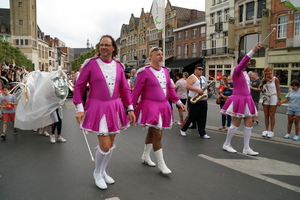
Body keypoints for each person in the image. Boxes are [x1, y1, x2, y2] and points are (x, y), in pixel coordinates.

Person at [73, 35, 136, 190]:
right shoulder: (91, 64)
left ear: (113, 48)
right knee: (105, 145)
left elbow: (124, 89)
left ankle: (103, 171)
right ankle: (97, 172)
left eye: (107, 45)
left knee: (111, 143)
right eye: (101, 45)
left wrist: (130, 108)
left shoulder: (119, 66)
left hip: (115, 107)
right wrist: (79, 108)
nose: (103, 47)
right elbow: (79, 87)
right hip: (97, 106)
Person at [132, 47, 185, 174]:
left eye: (161, 54)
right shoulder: (144, 71)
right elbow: (136, 91)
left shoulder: (166, 71)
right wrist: (130, 108)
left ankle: (145, 156)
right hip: (150, 106)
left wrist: (178, 101)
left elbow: (170, 89)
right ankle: (161, 164)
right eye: (158, 55)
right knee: (158, 134)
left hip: (163, 106)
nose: (161, 57)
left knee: (152, 132)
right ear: (151, 56)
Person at [221, 43, 262, 156]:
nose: (249, 63)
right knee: (235, 123)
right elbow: (244, 61)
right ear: (242, 61)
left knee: (249, 123)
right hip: (239, 100)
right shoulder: (236, 70)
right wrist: (253, 49)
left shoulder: (245, 73)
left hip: (247, 100)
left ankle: (246, 147)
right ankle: (227, 144)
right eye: (247, 61)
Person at [180, 63, 210, 139]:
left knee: (203, 117)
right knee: (191, 116)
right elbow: (187, 86)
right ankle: (183, 129)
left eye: (202, 69)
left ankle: (202, 133)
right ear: (195, 70)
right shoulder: (192, 77)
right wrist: (197, 90)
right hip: (194, 100)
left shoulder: (203, 78)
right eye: (199, 69)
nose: (201, 71)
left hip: (202, 100)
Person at [260, 66, 281, 138]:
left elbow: (278, 89)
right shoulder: (263, 79)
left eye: (268, 71)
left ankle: (271, 131)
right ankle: (266, 130)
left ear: (271, 71)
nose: (267, 73)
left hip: (273, 96)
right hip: (266, 97)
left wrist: (279, 99)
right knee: (266, 115)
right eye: (266, 71)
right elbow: (260, 88)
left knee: (272, 115)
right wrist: (262, 83)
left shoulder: (275, 79)